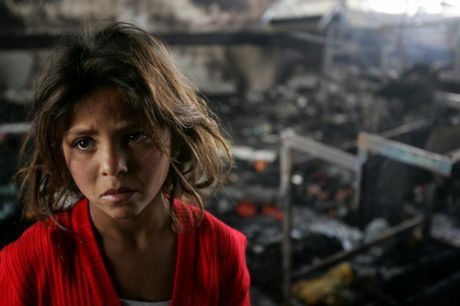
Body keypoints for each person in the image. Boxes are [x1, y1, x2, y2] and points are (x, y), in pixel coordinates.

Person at [0, 21, 250, 306]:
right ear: (61, 152)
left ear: (176, 137)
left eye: (134, 136)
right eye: (84, 143)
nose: (113, 166)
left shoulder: (221, 251)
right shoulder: (27, 264)